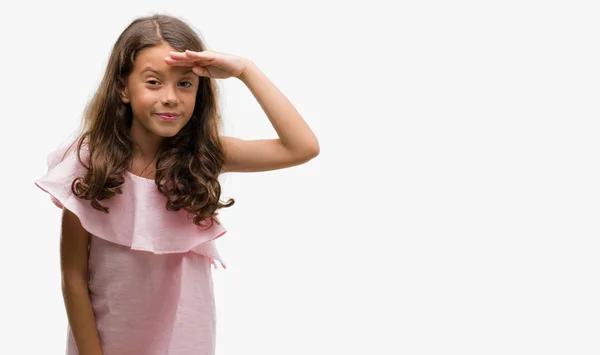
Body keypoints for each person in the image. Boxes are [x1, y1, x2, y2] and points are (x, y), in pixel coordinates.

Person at [35, 13, 319, 355]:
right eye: (154, 82)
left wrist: (246, 70)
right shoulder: (88, 162)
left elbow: (301, 147)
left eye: (185, 84)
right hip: (107, 344)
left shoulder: (204, 156)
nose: (171, 97)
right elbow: (74, 276)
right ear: (123, 88)